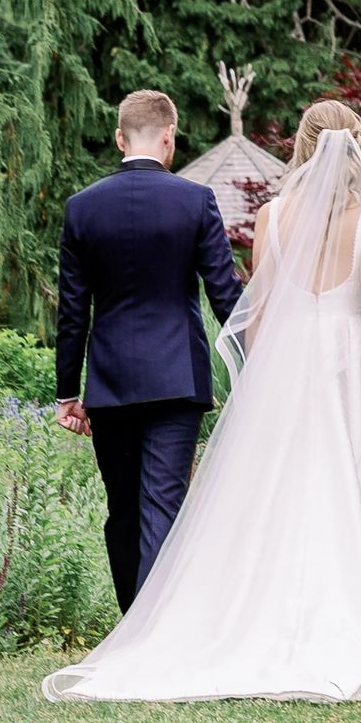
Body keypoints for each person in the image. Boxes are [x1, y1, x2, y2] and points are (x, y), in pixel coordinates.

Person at [43, 105, 361, 704]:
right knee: (355, 489)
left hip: (229, 370)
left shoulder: (265, 216)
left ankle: (163, 627)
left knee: (254, 499)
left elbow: (249, 304)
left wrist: (256, 370)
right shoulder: (360, 216)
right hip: (315, 367)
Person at [50, 89, 240, 609]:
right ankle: (153, 638)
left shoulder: (82, 208)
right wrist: (260, 355)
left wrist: (68, 391)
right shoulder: (195, 200)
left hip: (109, 383)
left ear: (119, 138)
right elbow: (225, 295)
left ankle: (135, 624)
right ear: (168, 138)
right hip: (178, 379)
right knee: (163, 505)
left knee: (124, 511)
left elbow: (73, 310)